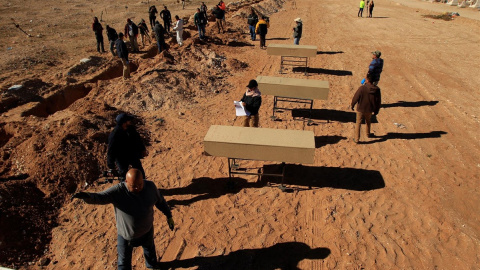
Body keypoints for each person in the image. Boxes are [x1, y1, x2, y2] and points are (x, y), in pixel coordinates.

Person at [72, 168, 175, 270]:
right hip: (126, 235)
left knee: (150, 250)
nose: (137, 188)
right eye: (133, 186)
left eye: (139, 185)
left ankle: (152, 265)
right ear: (126, 182)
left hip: (147, 230)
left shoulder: (150, 187)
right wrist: (87, 196)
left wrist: (169, 216)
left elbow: (160, 202)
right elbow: (101, 197)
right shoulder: (118, 191)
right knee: (124, 262)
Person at [107, 113, 147, 178]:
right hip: (121, 157)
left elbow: (138, 139)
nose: (130, 121)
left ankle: (144, 185)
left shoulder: (131, 129)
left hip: (132, 154)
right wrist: (110, 164)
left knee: (139, 172)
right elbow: (111, 150)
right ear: (124, 123)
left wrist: (143, 149)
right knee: (124, 175)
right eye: (128, 120)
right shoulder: (114, 135)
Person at [350, 73, 381, 143]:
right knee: (368, 121)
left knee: (358, 123)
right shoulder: (377, 90)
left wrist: (352, 105)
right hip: (370, 109)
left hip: (360, 108)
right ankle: (368, 134)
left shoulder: (362, 88)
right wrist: (376, 110)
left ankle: (356, 139)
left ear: (367, 80)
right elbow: (378, 101)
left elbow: (356, 97)